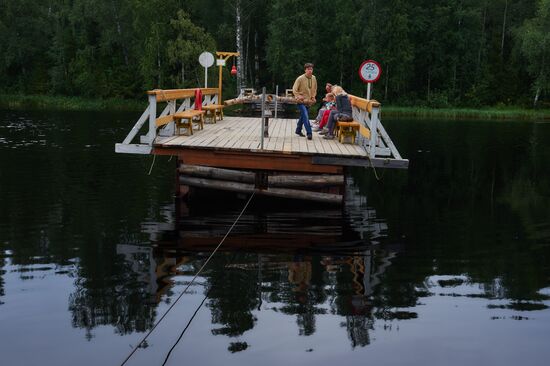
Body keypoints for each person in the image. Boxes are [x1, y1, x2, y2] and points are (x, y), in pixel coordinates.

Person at [292, 63, 317, 140]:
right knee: (305, 116)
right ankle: (309, 133)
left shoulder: (314, 78)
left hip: (309, 101)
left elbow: (315, 89)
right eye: (308, 69)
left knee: (303, 116)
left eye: (311, 69)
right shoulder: (300, 78)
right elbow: (294, 89)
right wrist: (298, 96)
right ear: (305, 70)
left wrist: (313, 97)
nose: (310, 71)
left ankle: (298, 130)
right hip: (300, 101)